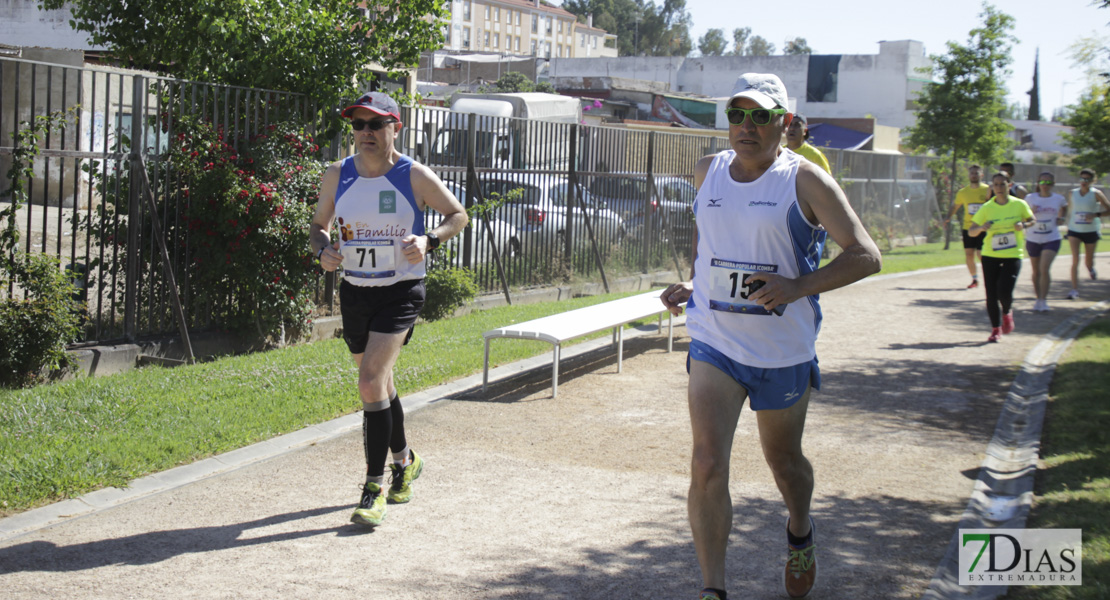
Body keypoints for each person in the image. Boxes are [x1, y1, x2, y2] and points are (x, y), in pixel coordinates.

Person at [660, 73, 881, 600]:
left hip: (782, 348)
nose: (747, 126)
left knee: (784, 463)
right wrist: (695, 281)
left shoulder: (805, 181)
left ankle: (800, 528)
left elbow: (867, 255)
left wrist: (796, 286)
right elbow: (709, 240)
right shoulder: (706, 171)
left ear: (784, 122)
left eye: (761, 116)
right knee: (707, 461)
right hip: (715, 340)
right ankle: (713, 589)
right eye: (738, 115)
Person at [310, 91, 468, 527]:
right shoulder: (336, 174)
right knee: (380, 384)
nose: (365, 133)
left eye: (375, 125)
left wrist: (428, 239)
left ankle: (373, 487)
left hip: (401, 291)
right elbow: (318, 228)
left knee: (368, 380)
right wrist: (321, 251)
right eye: (359, 125)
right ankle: (406, 461)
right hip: (356, 292)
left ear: (394, 128)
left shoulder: (412, 175)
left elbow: (459, 215)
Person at [968, 172, 1035, 342]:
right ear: (992, 187)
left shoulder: (1019, 204)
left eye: (1002, 184)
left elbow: (1032, 219)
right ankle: (995, 329)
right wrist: (982, 227)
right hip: (990, 254)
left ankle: (1007, 311)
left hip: (1013, 254)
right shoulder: (987, 208)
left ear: (1009, 185)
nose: (999, 188)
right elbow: (971, 231)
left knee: (1004, 290)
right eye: (996, 185)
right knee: (991, 294)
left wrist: (1023, 225)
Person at [1023, 172, 1068, 311]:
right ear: (1038, 183)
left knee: (1044, 268)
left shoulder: (1058, 198)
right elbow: (1023, 216)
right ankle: (1038, 299)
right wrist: (1031, 212)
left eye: (1048, 183)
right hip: (1033, 238)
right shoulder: (1030, 198)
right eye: (1042, 182)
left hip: (1052, 237)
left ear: (1053, 184)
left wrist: (1061, 218)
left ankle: (1043, 300)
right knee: (1036, 271)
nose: (1045, 185)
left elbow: (1065, 208)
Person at [1064, 168, 1110, 299]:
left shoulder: (1097, 194)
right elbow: (1071, 210)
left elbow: (1109, 210)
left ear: (1092, 181)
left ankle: (1091, 269)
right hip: (1074, 230)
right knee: (1075, 259)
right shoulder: (1072, 193)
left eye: (1087, 179)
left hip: (1091, 231)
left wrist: (1096, 214)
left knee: (1088, 261)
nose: (1084, 182)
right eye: (1082, 179)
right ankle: (1074, 290)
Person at [945, 165, 991, 289]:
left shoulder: (987, 190)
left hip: (983, 227)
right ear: (968, 175)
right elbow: (955, 206)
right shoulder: (963, 192)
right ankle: (974, 279)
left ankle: (990, 276)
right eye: (971, 173)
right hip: (968, 227)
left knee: (981, 254)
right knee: (969, 254)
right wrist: (948, 217)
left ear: (981, 175)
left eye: (976, 173)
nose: (974, 175)